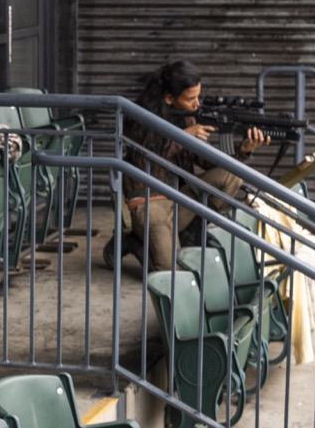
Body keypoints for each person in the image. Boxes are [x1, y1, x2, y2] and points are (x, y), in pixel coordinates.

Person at [102, 60, 271, 272]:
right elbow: (143, 159)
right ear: (169, 98)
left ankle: (187, 234)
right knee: (172, 275)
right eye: (191, 98)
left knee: (230, 176)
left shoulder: (188, 118)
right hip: (149, 202)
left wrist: (244, 150)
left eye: (198, 97)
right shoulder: (139, 117)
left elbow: (206, 162)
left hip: (179, 198)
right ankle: (133, 242)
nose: (197, 104)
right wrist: (182, 137)